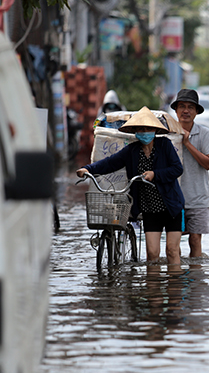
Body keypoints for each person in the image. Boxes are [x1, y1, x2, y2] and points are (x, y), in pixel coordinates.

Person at [76, 106, 185, 266]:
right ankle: (152, 290)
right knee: (152, 254)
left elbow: (177, 169)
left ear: (154, 130)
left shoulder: (165, 145)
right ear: (135, 131)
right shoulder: (132, 151)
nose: (144, 131)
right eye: (141, 128)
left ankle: (174, 289)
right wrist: (88, 169)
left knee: (172, 251)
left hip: (172, 206)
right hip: (150, 209)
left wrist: (155, 174)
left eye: (148, 128)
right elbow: (110, 163)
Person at [171, 89, 209, 258]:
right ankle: (177, 279)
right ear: (175, 111)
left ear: (196, 112)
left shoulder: (204, 133)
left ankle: (197, 279)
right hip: (173, 198)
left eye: (190, 107)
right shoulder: (167, 134)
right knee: (173, 243)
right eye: (182, 106)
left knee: (195, 240)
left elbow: (208, 163)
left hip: (198, 198)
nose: (186, 111)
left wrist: (187, 143)